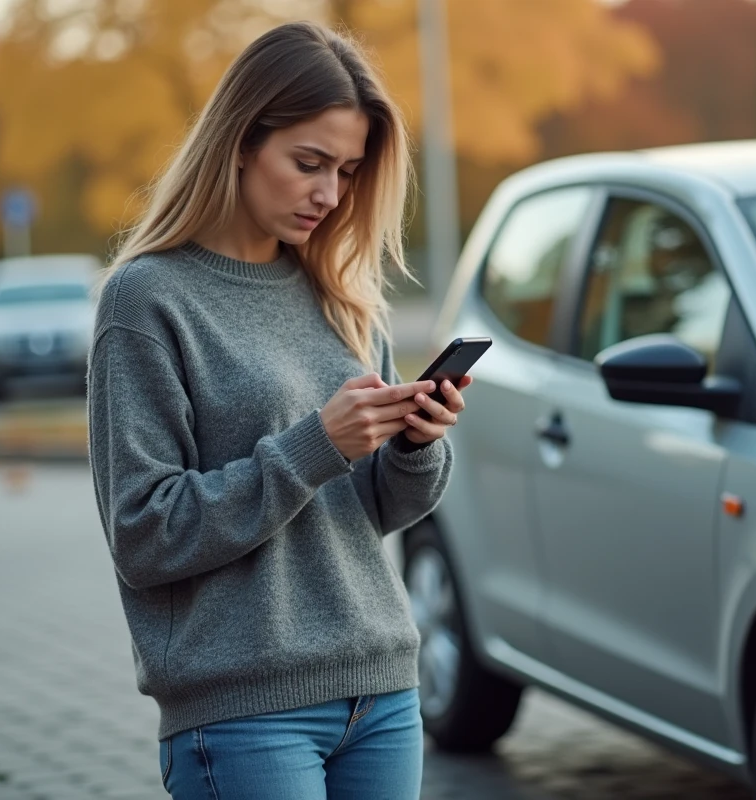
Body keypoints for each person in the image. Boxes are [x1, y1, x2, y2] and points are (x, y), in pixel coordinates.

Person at [86, 20, 470, 800]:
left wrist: (413, 446)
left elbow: (371, 513)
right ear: (240, 142)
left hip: (382, 690)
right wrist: (316, 445)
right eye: (309, 163)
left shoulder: (343, 296)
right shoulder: (147, 301)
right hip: (244, 712)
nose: (330, 194)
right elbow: (144, 534)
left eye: (348, 171)